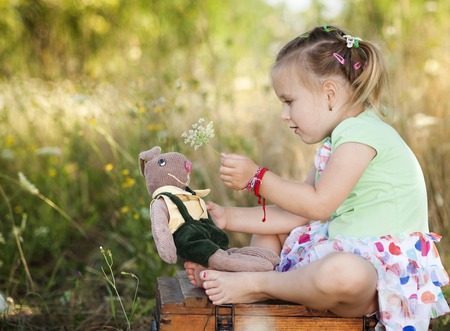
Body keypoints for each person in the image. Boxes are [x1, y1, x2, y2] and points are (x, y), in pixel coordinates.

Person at [184, 25, 449, 331]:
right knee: (272, 236)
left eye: (289, 101)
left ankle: (257, 284)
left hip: (377, 277)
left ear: (329, 93)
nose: (284, 115)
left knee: (342, 271)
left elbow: (319, 205)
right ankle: (239, 270)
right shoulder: (337, 139)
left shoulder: (362, 135)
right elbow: (300, 212)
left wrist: (257, 178)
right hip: (338, 245)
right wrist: (227, 217)